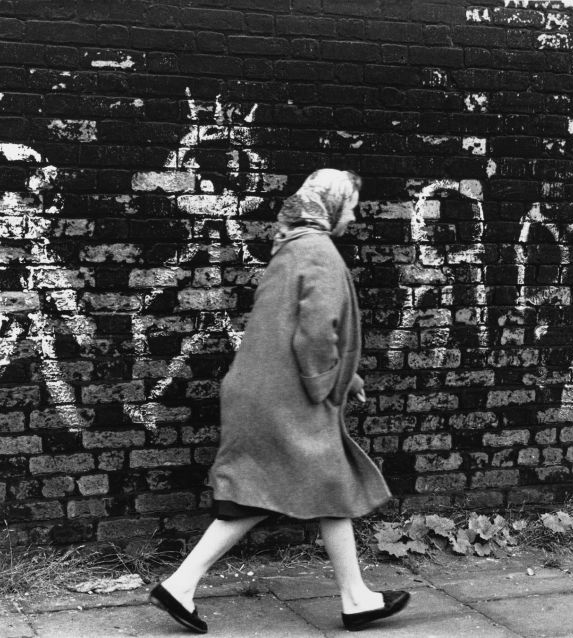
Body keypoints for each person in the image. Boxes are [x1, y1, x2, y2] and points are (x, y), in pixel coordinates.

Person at [149, 169, 410, 633]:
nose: (351, 214)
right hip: (290, 400)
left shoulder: (291, 248)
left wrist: (346, 379)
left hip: (263, 392)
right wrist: (327, 387)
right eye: (348, 203)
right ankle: (182, 584)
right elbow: (315, 337)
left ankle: (354, 598)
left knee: (312, 488)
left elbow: (294, 329)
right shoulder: (320, 253)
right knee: (291, 490)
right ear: (329, 205)